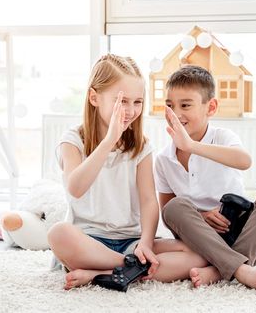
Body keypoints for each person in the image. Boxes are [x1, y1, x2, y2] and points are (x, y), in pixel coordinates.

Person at [47, 54, 207, 290]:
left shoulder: (141, 147)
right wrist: (109, 142)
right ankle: (129, 268)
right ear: (94, 97)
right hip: (89, 241)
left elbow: (148, 201)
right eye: (122, 101)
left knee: (198, 254)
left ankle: (100, 273)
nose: (131, 110)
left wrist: (145, 243)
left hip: (131, 242)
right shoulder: (73, 141)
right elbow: (76, 188)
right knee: (58, 234)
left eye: (138, 102)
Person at [155, 65, 256, 295]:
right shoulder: (163, 159)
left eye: (185, 105)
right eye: (170, 106)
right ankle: (243, 271)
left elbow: (244, 160)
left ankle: (220, 270)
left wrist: (192, 147)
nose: (176, 114)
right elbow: (168, 213)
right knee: (175, 207)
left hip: (245, 237)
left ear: (211, 107)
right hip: (200, 242)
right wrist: (201, 216)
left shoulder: (223, 137)